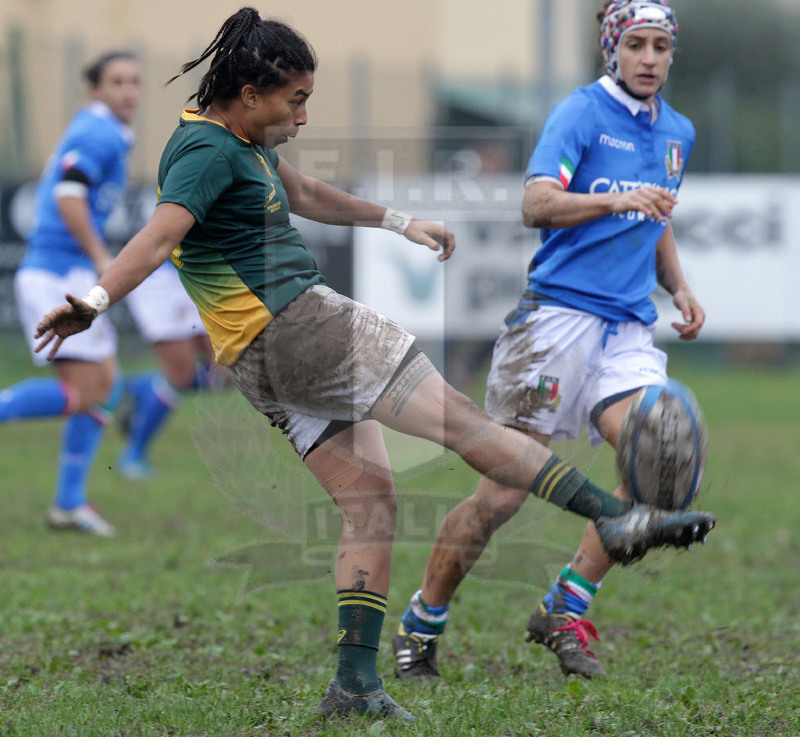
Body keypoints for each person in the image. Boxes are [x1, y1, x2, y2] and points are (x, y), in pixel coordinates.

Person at [34, 7, 714, 720]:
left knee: (370, 505)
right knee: (466, 427)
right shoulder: (207, 153)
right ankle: (614, 516)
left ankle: (355, 682)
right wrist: (96, 297)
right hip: (307, 327)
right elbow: (158, 234)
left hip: (258, 363)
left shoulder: (235, 134)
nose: (301, 115)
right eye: (295, 99)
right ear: (250, 94)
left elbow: (305, 194)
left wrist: (398, 221)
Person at [393, 0, 706, 683]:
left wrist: (677, 285)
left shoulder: (677, 130)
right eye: (638, 45)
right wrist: (613, 200)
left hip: (625, 328)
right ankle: (421, 622)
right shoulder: (580, 113)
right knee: (501, 498)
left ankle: (566, 605)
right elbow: (536, 203)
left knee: (656, 454)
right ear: (612, 50)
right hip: (553, 326)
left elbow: (659, 217)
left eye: (660, 46)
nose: (650, 58)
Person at [1, 51, 143, 536]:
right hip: (55, 274)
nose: (129, 91)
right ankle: (67, 502)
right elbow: (68, 196)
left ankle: (67, 504)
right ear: (95, 90)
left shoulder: (109, 133)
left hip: (64, 271)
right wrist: (101, 257)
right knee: (86, 394)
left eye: (135, 82)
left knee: (108, 388)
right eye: (117, 81)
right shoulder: (97, 133)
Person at [118, 261, 226, 480]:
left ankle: (140, 386)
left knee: (228, 373)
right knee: (180, 378)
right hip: (163, 275)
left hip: (200, 271)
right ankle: (133, 456)